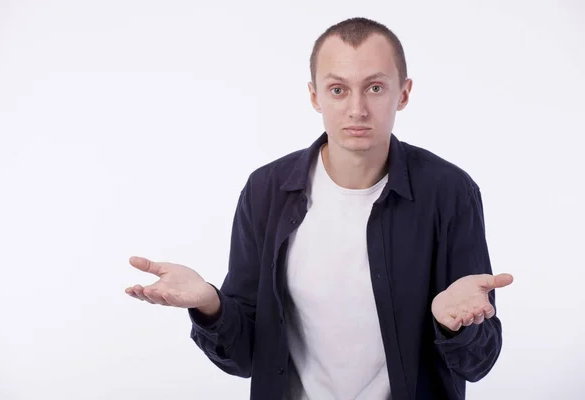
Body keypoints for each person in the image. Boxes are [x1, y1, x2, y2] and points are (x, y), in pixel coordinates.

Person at [125, 17, 514, 400]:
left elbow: (478, 363)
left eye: (375, 88)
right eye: (338, 90)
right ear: (315, 96)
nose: (357, 109)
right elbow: (244, 359)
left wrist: (455, 327)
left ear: (404, 93)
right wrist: (210, 304)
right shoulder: (266, 191)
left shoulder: (449, 192)